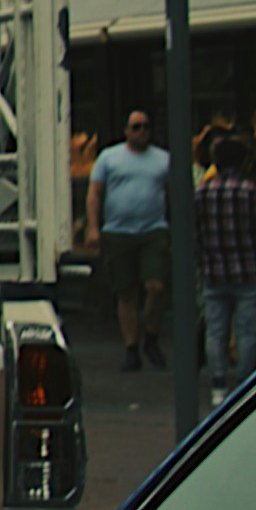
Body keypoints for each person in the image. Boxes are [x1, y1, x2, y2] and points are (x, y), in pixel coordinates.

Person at [193, 121, 256, 409]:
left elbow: (196, 234)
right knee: (247, 331)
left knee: (215, 330)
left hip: (215, 272)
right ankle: (245, 384)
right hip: (249, 271)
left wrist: (203, 261)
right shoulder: (252, 191)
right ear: (243, 161)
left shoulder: (202, 193)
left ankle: (218, 386)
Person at [85, 103, 170, 380]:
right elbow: (95, 193)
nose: (142, 132)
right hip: (118, 231)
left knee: (156, 286)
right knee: (126, 292)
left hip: (152, 229)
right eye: (136, 127)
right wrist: (94, 227)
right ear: (126, 131)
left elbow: (173, 191)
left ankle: (151, 336)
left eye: (146, 127)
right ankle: (131, 346)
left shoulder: (162, 159)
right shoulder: (110, 158)